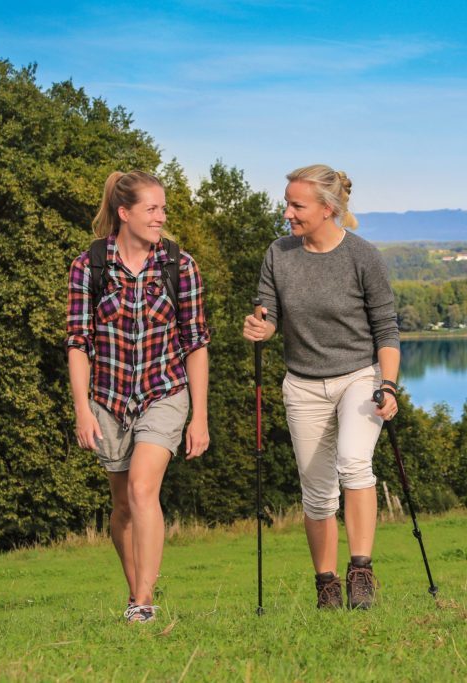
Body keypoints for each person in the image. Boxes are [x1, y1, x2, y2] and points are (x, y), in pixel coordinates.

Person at [242, 164, 399, 610]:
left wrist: (388, 386)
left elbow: (386, 329)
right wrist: (260, 326)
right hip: (303, 383)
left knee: (353, 462)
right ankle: (326, 585)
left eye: (297, 205)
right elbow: (267, 312)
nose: (287, 212)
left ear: (327, 209)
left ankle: (362, 572)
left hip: (358, 376)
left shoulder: (362, 256)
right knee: (316, 492)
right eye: (287, 202)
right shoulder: (279, 253)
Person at [66, 171, 211, 623]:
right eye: (152, 209)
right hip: (107, 400)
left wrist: (199, 417)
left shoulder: (179, 266)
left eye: (163, 209)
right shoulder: (88, 267)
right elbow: (78, 342)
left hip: (163, 392)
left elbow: (196, 342)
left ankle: (144, 604)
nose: (161, 217)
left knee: (143, 488)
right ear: (124, 213)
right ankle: (135, 591)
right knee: (123, 506)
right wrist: (82, 411)